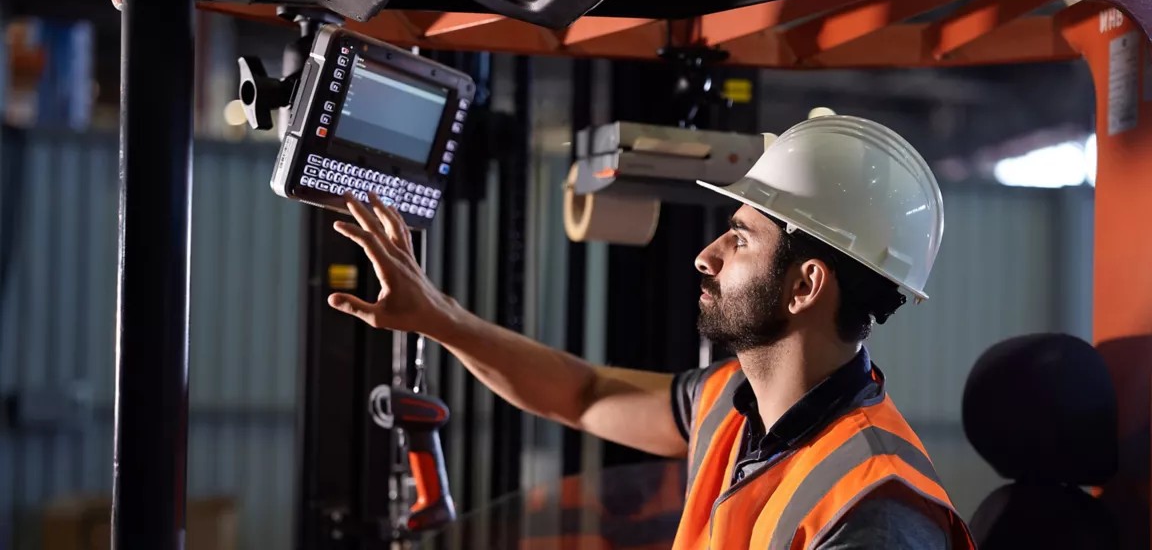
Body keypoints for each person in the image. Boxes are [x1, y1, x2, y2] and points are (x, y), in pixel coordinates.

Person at [327, 114, 977, 549]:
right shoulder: (730, 404)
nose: (707, 255)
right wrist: (437, 316)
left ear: (805, 285)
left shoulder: (874, 510)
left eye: (741, 238)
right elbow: (581, 394)